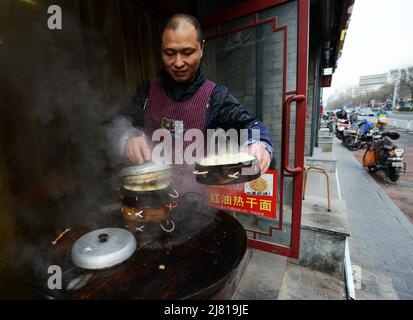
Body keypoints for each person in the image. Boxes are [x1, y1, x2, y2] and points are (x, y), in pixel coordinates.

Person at [110, 13, 273, 195]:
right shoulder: (146, 93)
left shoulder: (215, 96)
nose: (178, 62)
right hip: (151, 198)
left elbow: (249, 124)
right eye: (169, 53)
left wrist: (259, 144)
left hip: (196, 205)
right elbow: (119, 122)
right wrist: (128, 136)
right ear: (161, 50)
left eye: (187, 52)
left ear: (201, 48)